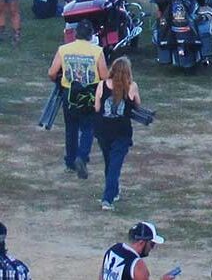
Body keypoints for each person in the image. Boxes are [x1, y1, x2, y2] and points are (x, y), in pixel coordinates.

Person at [48, 18, 108, 179]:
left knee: (71, 128)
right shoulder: (97, 51)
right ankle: (82, 156)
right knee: (88, 128)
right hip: (89, 94)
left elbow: (52, 72)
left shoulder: (64, 49)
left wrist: (59, 81)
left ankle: (70, 161)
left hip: (69, 93)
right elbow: (104, 76)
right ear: (91, 35)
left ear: (75, 33)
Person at [93, 56, 141, 209]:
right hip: (122, 132)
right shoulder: (131, 87)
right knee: (115, 165)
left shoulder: (102, 85)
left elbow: (97, 108)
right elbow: (137, 105)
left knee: (109, 162)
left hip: (103, 131)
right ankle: (108, 198)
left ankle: (113, 191)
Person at [100, 221, 167, 280]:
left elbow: (101, 276)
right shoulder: (138, 266)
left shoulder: (113, 249)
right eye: (152, 244)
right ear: (142, 243)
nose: (151, 248)